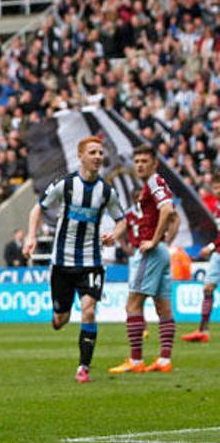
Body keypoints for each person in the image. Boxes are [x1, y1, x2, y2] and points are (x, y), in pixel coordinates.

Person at [23, 136, 125, 383]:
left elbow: (121, 219)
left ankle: (83, 367)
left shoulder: (106, 191)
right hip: (62, 262)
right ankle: (58, 316)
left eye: (101, 152)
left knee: (88, 310)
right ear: (81, 156)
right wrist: (31, 236)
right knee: (62, 319)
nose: (98, 157)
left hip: (91, 261)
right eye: (93, 152)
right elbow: (38, 208)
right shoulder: (65, 185)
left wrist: (115, 234)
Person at [108, 144, 178, 374]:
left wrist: (155, 240)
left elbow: (168, 210)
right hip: (161, 253)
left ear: (154, 163)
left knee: (133, 304)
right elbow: (167, 211)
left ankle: (136, 361)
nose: (139, 165)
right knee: (163, 307)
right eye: (137, 161)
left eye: (144, 161)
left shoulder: (154, 182)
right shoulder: (153, 184)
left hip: (150, 252)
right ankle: (164, 360)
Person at [182, 176, 220, 343]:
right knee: (208, 288)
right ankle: (203, 330)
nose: (217, 190)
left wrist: (211, 247)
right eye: (215, 187)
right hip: (218, 253)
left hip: (216, 250)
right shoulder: (216, 207)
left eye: (219, 187)